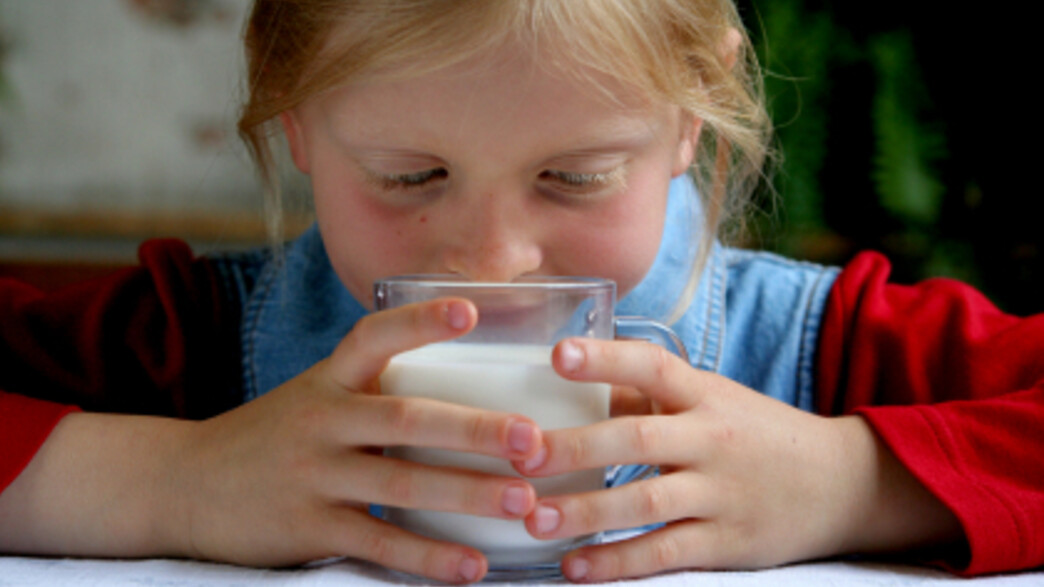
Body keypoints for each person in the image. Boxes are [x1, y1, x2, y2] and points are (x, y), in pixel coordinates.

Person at [1, 1, 1042, 584]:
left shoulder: (821, 349)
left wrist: (848, 479)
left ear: (691, 117)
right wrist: (173, 478)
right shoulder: (199, 343)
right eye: (410, 177)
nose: (493, 262)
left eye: (575, 178)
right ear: (295, 123)